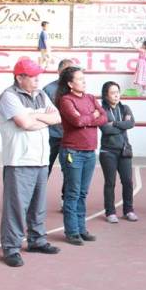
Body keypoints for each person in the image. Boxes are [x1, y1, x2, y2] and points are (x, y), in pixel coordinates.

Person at [0, 58, 62, 267]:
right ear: (19, 77)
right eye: (32, 76)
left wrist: (35, 116)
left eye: (37, 76)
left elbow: (57, 118)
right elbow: (24, 123)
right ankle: (11, 248)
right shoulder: (9, 96)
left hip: (41, 160)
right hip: (19, 160)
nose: (37, 80)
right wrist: (42, 117)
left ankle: (37, 240)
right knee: (16, 207)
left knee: (38, 205)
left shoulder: (41, 94)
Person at [56, 66, 107, 245]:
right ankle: (72, 232)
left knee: (83, 193)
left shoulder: (91, 97)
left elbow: (104, 117)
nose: (83, 82)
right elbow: (77, 121)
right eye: (79, 79)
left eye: (84, 78)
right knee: (73, 193)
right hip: (73, 152)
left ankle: (81, 229)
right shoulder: (66, 100)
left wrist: (88, 118)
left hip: (89, 152)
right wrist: (92, 115)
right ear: (70, 84)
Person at [99, 81, 137, 223]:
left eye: (117, 92)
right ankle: (110, 212)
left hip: (124, 151)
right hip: (108, 152)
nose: (116, 95)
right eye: (112, 93)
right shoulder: (101, 110)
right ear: (106, 95)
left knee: (127, 181)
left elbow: (131, 123)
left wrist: (114, 123)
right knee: (110, 183)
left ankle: (129, 210)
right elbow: (105, 129)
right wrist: (122, 125)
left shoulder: (125, 108)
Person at [43, 58, 74, 211]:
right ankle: (36, 198)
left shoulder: (75, 89)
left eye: (71, 70)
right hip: (50, 137)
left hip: (69, 138)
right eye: (66, 70)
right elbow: (42, 112)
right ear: (59, 71)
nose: (69, 73)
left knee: (69, 170)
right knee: (44, 168)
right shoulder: (48, 89)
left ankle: (65, 200)